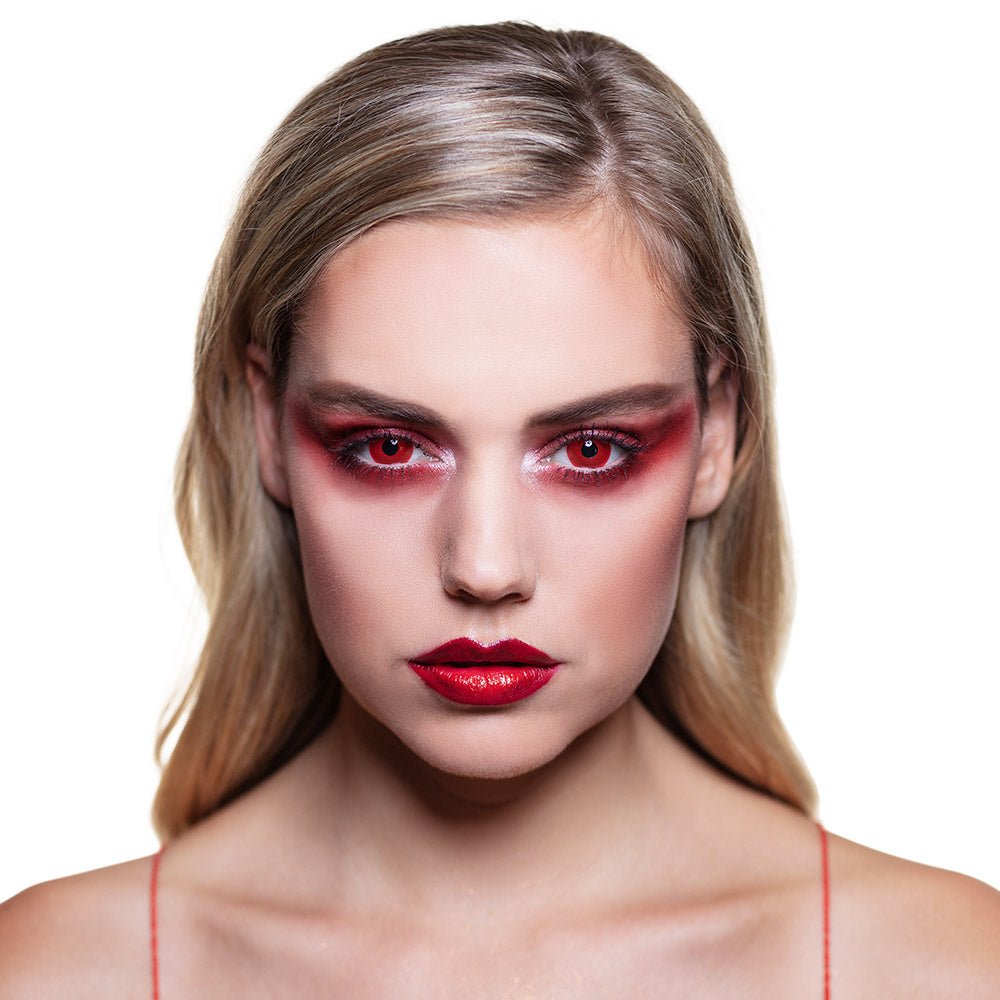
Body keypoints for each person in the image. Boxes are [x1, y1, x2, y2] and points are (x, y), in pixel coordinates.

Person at [1, 21, 997, 998]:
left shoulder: (939, 970)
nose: (484, 567)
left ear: (717, 433)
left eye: (590, 449)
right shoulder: (57, 973)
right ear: (265, 424)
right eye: (388, 446)